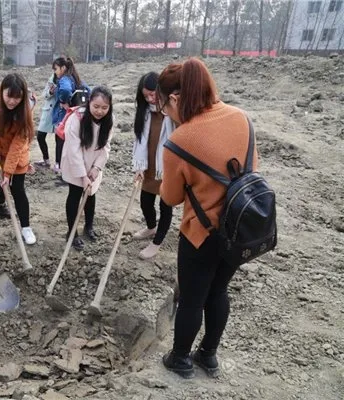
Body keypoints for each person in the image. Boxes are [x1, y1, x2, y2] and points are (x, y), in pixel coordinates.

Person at [157, 58, 258, 378]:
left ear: (174, 99)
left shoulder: (179, 141)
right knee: (218, 292)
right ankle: (209, 356)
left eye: (163, 106)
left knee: (192, 298)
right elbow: (250, 168)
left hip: (201, 234)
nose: (166, 114)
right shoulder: (241, 118)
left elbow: (170, 198)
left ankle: (181, 359)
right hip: (242, 228)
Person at [0, 73, 37, 244]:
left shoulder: (26, 106)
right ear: (2, 91)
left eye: (17, 98)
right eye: (9, 96)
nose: (12, 101)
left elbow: (19, 142)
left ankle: (26, 227)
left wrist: (8, 171)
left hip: (17, 156)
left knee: (18, 190)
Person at [61, 86, 113, 250]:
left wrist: (97, 168)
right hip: (74, 163)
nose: (100, 111)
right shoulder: (76, 118)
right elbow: (73, 149)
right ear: (89, 103)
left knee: (91, 194)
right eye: (96, 107)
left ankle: (88, 227)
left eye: (104, 108)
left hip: (93, 165)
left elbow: (106, 147)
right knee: (75, 195)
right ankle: (72, 232)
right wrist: (83, 175)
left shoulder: (109, 120)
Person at [132, 72, 176, 259]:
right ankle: (151, 227)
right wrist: (139, 166)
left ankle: (157, 242)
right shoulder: (144, 112)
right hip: (149, 166)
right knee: (145, 203)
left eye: (153, 94)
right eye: (146, 95)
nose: (150, 99)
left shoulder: (173, 111)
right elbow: (139, 140)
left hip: (167, 167)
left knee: (166, 206)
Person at [51, 57, 84, 176]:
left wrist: (63, 101)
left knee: (60, 141)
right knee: (70, 142)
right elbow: (88, 90)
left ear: (63, 68)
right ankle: (67, 168)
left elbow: (65, 90)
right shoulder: (76, 78)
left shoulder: (64, 79)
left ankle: (60, 168)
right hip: (75, 116)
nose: (55, 72)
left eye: (56, 69)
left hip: (64, 116)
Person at [34, 72, 58, 169]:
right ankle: (46, 160)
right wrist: (50, 92)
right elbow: (44, 94)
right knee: (40, 136)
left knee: (59, 140)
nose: (56, 70)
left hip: (59, 112)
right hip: (48, 111)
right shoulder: (52, 77)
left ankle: (58, 164)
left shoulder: (67, 79)